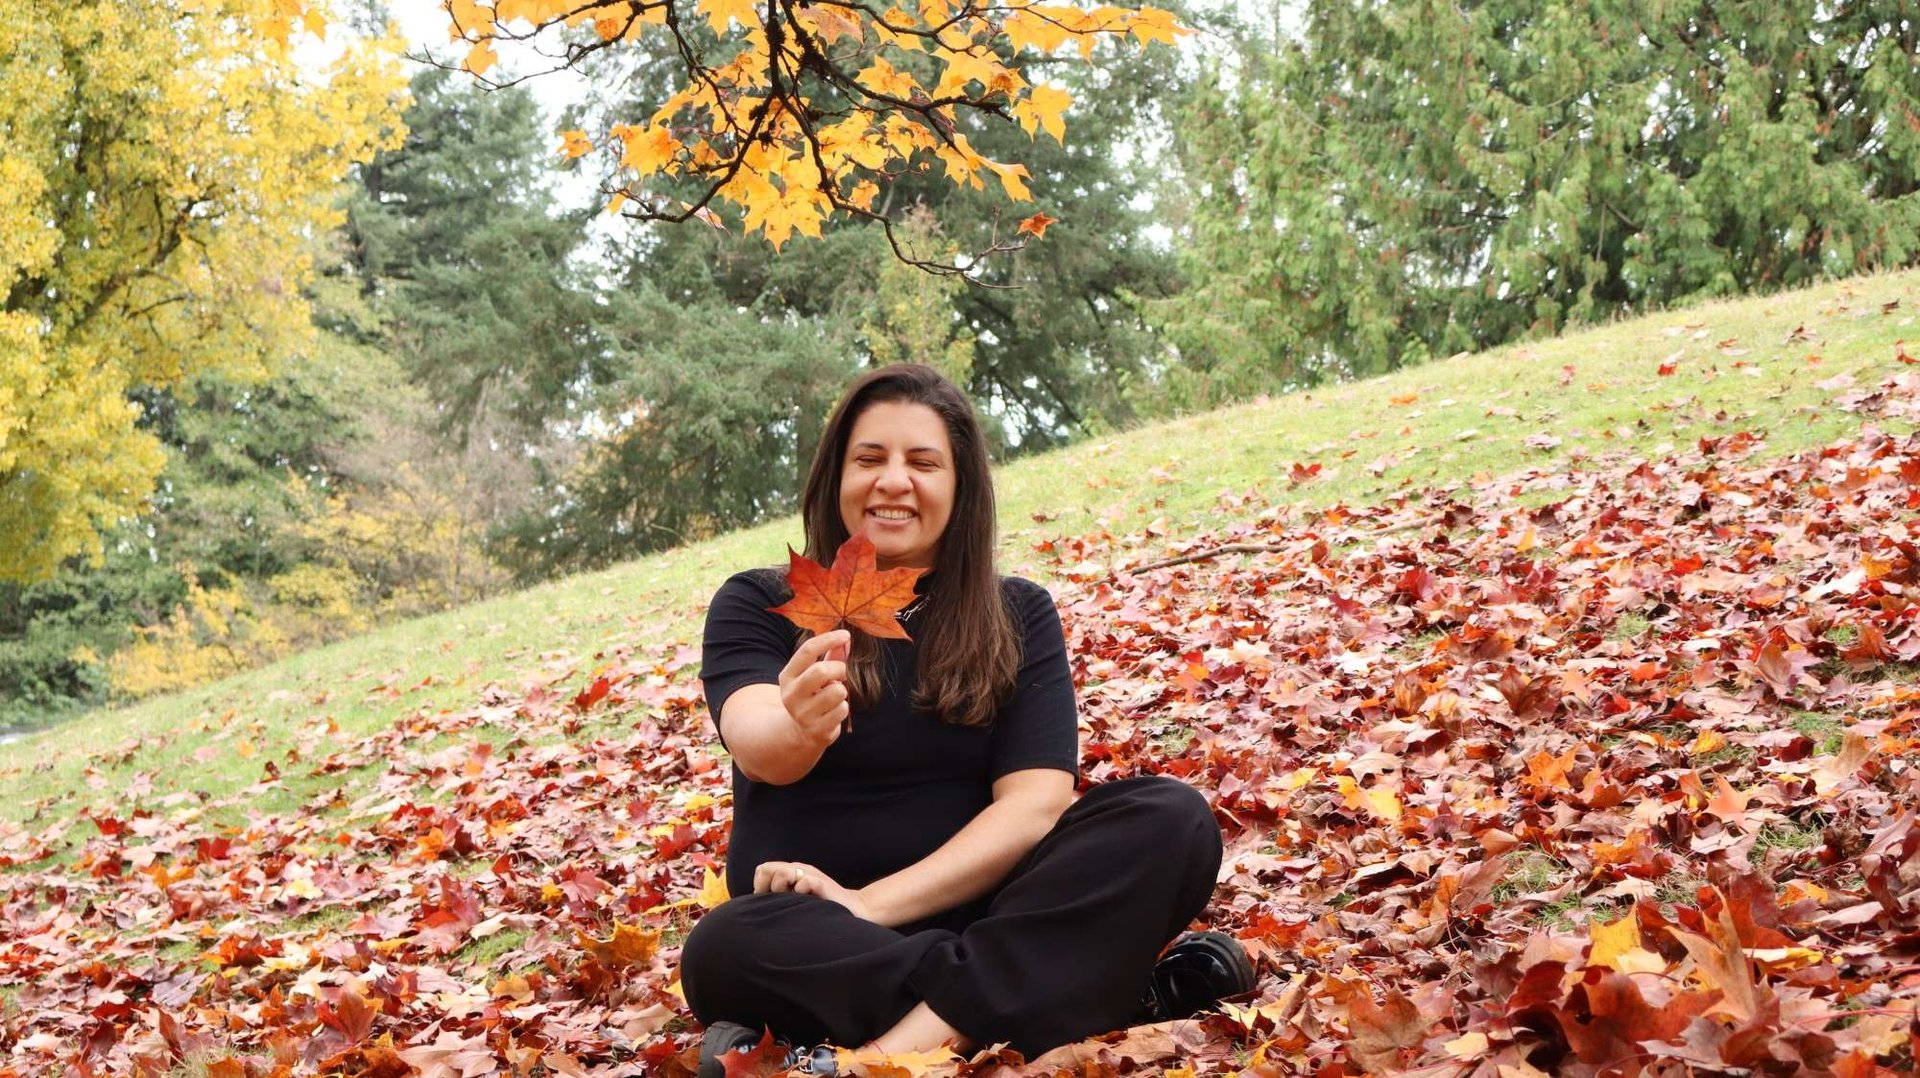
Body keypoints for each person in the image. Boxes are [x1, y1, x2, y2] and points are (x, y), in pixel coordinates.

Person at [680, 364, 1253, 1076]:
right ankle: (1094, 990)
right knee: (721, 948)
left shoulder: (1015, 614)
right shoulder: (760, 602)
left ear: (960, 487)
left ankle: (886, 1056)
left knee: (1171, 817)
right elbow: (759, 743)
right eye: (869, 459)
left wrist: (868, 904)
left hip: (986, 911)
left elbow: (1035, 807)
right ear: (835, 477)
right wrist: (797, 723)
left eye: (923, 462)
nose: (894, 481)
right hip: (819, 937)